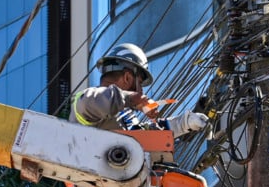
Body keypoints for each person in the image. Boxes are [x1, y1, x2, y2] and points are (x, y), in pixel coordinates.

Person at [69, 43, 208, 137]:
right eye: (140, 83)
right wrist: (133, 99)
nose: (141, 91)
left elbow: (146, 135)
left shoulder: (123, 115)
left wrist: (184, 123)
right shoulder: (89, 99)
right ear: (128, 77)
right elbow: (88, 103)